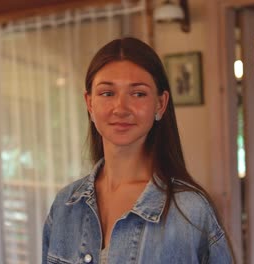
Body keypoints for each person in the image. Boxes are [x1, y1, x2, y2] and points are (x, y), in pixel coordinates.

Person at [42, 37, 233, 263]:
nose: (121, 108)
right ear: (90, 103)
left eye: (138, 94)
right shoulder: (65, 206)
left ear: (160, 104)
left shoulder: (191, 211)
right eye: (107, 93)